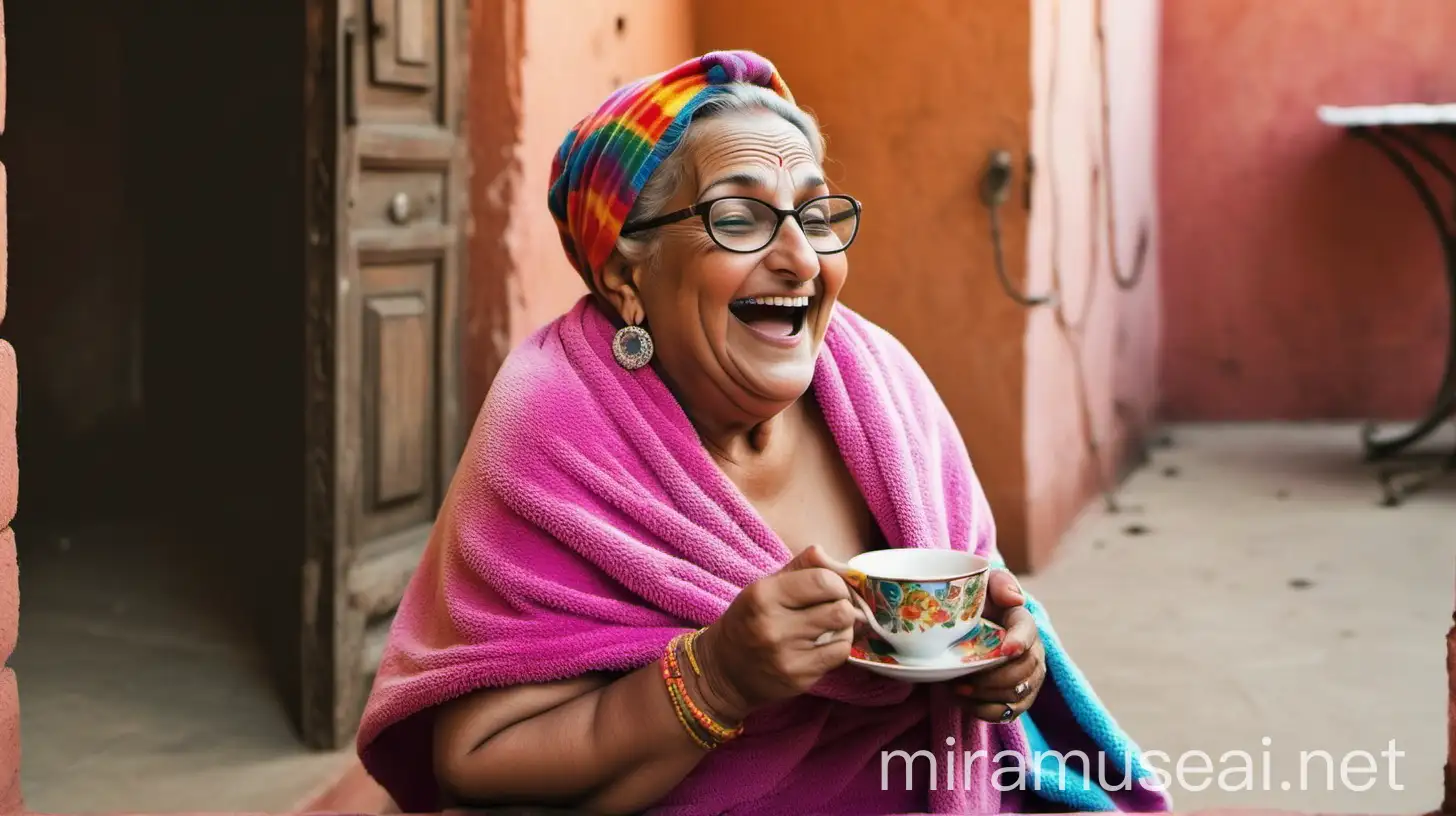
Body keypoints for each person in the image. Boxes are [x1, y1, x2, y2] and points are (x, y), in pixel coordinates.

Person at [356, 51, 1169, 816]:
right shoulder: (554, 426)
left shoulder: (879, 379)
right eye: (740, 218)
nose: (803, 260)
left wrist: (1006, 663)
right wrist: (715, 679)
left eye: (814, 215)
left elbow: (984, 600)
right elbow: (478, 758)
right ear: (623, 272)